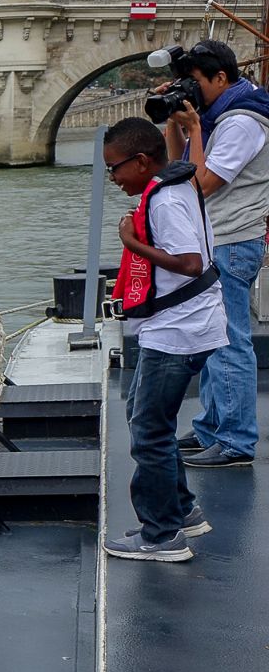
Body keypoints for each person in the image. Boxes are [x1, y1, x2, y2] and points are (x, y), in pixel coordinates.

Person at [103, 117, 225, 561]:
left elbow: (190, 263)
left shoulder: (165, 200)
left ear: (140, 161)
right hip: (182, 324)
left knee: (149, 432)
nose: (112, 178)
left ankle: (162, 535)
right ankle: (184, 510)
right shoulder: (175, 185)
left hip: (179, 331)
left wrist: (130, 243)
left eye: (114, 168)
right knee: (143, 412)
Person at [162, 40, 269, 468]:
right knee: (210, 339)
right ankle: (211, 427)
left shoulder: (241, 121)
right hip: (212, 239)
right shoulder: (214, 116)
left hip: (230, 239)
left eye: (197, 83)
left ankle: (236, 441)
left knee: (229, 343)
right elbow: (177, 171)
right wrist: (175, 123)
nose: (193, 91)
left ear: (221, 78)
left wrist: (197, 130)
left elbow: (203, 184)